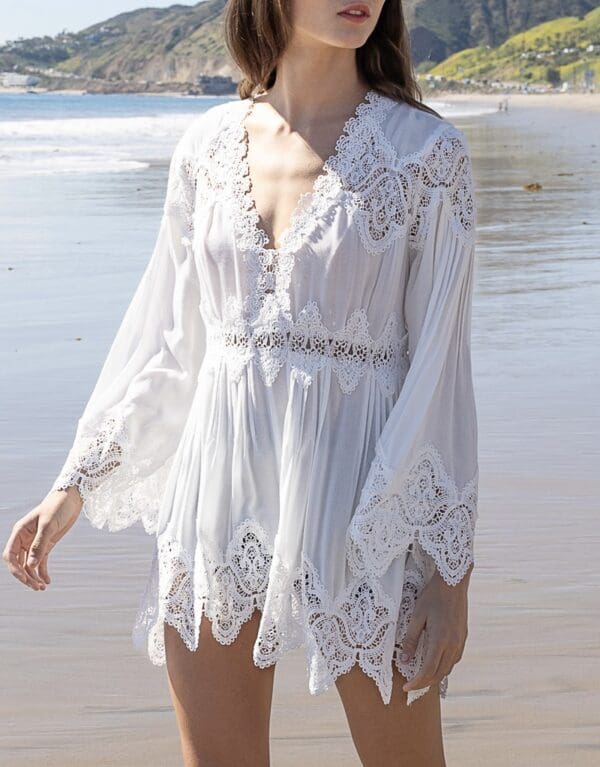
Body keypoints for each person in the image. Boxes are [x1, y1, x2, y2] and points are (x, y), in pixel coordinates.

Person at [3, 1, 479, 765]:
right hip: (214, 502)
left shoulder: (427, 154)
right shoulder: (206, 147)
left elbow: (441, 374)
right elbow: (171, 341)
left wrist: (450, 573)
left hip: (369, 503)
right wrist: (77, 482)